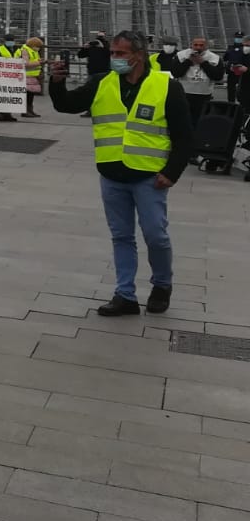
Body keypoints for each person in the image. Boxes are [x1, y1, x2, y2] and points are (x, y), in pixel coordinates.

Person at [48, 31, 192, 317]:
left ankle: (162, 285)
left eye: (120, 54)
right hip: (112, 174)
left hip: (150, 177)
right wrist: (57, 83)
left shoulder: (166, 86)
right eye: (112, 53)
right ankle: (125, 294)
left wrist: (172, 172)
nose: (114, 58)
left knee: (156, 235)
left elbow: (184, 136)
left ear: (138, 55)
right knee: (121, 237)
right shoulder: (101, 82)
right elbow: (67, 105)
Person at [170, 37, 224, 125]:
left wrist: (203, 63)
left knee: (200, 121)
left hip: (204, 95)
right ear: (191, 45)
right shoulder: (181, 55)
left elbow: (218, 76)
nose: (198, 47)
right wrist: (188, 61)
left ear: (206, 46)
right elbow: (176, 73)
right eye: (195, 45)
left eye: (201, 45)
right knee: (184, 119)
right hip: (185, 93)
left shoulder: (215, 58)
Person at [0, 32, 24, 122]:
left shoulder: (18, 50)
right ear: (4, 41)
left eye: (11, 40)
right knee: (2, 95)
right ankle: (0, 113)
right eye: (8, 40)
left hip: (14, 76)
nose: (10, 42)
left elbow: (21, 61)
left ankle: (8, 114)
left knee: (11, 96)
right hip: (3, 76)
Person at [22, 36, 45, 118]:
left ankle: (30, 110)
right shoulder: (25, 50)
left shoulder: (33, 51)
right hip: (26, 75)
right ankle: (26, 111)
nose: (38, 48)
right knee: (28, 95)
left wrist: (38, 61)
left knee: (30, 95)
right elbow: (26, 64)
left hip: (32, 76)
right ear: (33, 45)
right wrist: (39, 62)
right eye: (37, 46)